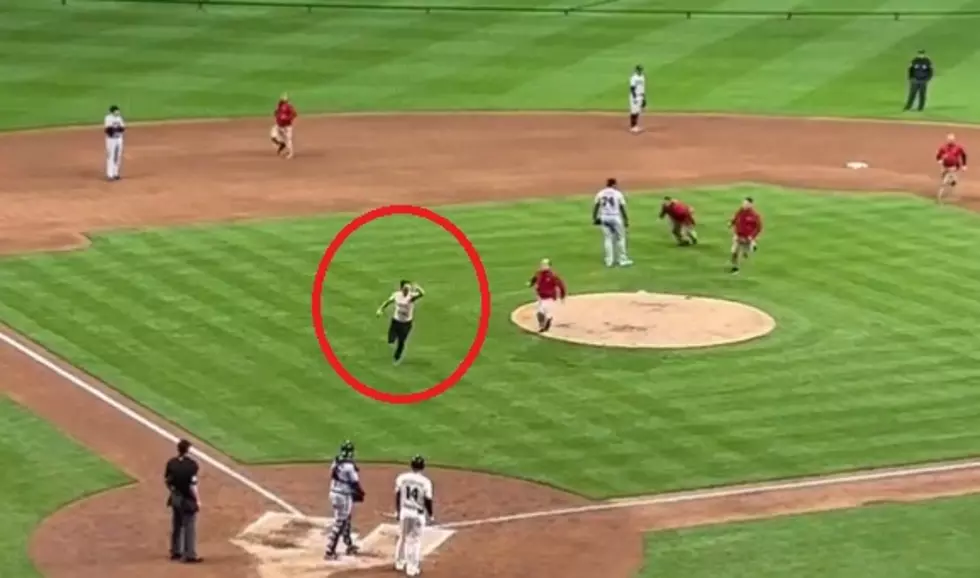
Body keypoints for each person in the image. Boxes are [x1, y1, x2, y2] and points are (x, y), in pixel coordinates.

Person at [393, 455, 434, 577]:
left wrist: (398, 511)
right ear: (423, 467)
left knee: (403, 537)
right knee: (414, 541)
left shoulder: (402, 478)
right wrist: (431, 514)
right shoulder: (425, 482)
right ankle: (412, 569)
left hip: (405, 511)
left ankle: (399, 563)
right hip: (417, 514)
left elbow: (398, 494)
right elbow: (428, 500)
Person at [324, 440, 365, 560]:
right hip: (343, 495)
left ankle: (348, 544)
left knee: (346, 518)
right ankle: (329, 551)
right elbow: (355, 483)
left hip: (334, 493)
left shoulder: (336, 461)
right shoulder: (348, 466)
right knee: (340, 522)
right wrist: (360, 493)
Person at [164, 439, 202, 563]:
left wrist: (173, 492)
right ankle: (189, 554)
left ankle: (175, 552)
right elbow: (192, 485)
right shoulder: (192, 465)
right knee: (189, 526)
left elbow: (167, 481)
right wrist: (197, 500)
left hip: (175, 498)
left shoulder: (171, 463)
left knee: (177, 524)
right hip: (188, 498)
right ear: (188, 450)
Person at [376, 281, 425, 364]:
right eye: (406, 288)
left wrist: (418, 288)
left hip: (406, 323)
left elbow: (422, 294)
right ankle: (392, 341)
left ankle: (397, 357)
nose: (407, 290)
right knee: (390, 340)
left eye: (409, 289)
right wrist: (380, 309)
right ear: (401, 288)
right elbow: (388, 301)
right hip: (396, 321)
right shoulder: (396, 295)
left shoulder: (411, 297)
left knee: (401, 341)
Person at [592, 177, 632, 267]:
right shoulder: (618, 193)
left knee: (607, 239)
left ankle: (609, 261)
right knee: (620, 238)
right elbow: (622, 207)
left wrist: (594, 218)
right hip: (615, 217)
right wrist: (626, 220)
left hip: (604, 217)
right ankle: (622, 260)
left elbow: (596, 206)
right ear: (614, 184)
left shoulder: (600, 193)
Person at [528, 258, 566, 333]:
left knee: (541, 312)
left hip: (549, 297)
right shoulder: (539, 273)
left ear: (549, 266)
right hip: (541, 297)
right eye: (542, 264)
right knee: (542, 312)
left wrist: (562, 295)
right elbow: (534, 278)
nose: (542, 266)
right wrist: (530, 283)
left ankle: (545, 324)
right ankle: (545, 323)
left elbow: (561, 285)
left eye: (545, 265)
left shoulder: (553, 276)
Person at [729, 197, 763, 274]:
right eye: (743, 203)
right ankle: (735, 267)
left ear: (751, 205)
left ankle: (752, 245)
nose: (744, 205)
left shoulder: (755, 215)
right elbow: (735, 218)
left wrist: (752, 236)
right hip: (738, 235)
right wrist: (731, 223)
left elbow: (758, 228)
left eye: (746, 204)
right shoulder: (740, 211)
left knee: (745, 252)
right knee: (734, 252)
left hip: (747, 237)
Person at [936, 133, 967, 203]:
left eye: (952, 139)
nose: (951, 141)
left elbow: (964, 155)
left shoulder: (958, 147)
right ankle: (952, 182)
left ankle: (939, 197)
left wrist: (964, 165)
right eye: (949, 139)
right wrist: (939, 161)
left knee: (944, 181)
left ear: (954, 140)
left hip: (954, 167)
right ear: (947, 140)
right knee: (946, 178)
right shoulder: (943, 147)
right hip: (944, 167)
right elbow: (938, 156)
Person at [270, 93, 297, 158]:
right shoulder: (279, 105)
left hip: (287, 127)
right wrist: (276, 114)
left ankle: (291, 153)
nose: (283, 100)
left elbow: (294, 114)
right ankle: (282, 143)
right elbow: (276, 112)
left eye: (284, 99)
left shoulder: (289, 107)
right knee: (273, 136)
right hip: (278, 125)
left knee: (288, 139)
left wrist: (287, 118)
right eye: (282, 99)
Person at [104, 105, 125, 181]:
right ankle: (110, 175)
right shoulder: (108, 118)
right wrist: (116, 129)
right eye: (116, 110)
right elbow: (108, 130)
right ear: (112, 112)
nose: (118, 112)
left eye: (118, 110)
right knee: (111, 156)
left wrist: (115, 129)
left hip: (119, 139)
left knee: (117, 156)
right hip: (111, 140)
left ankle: (116, 173)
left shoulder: (119, 118)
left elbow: (122, 128)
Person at [628, 65, 646, 133]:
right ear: (636, 70)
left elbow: (643, 88)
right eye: (639, 70)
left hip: (640, 95)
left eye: (641, 70)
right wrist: (634, 97)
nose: (640, 71)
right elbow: (632, 88)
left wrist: (644, 98)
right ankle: (632, 127)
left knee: (638, 111)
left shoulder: (642, 77)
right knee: (633, 112)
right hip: (634, 96)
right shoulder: (633, 78)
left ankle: (636, 126)